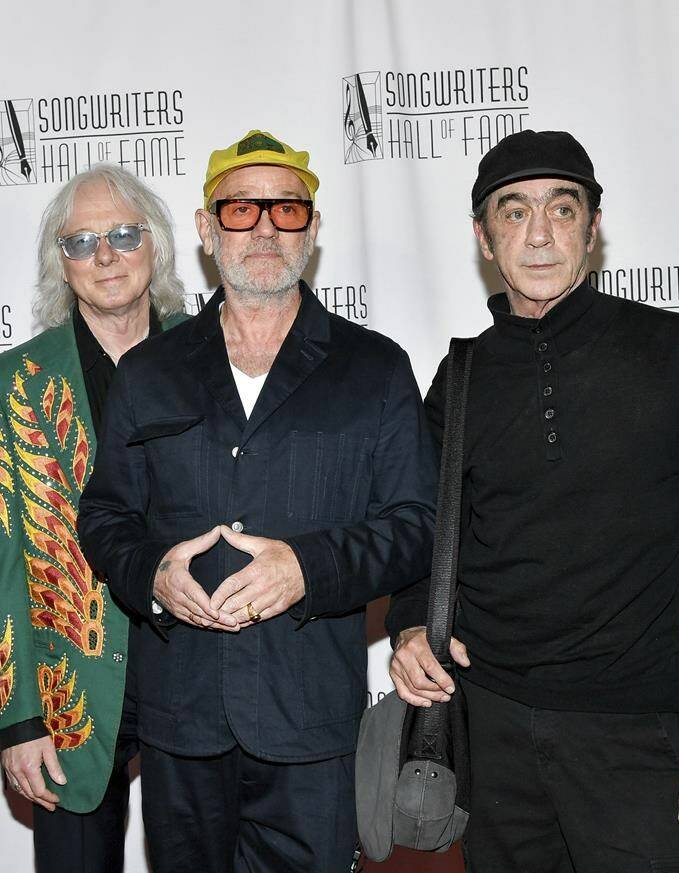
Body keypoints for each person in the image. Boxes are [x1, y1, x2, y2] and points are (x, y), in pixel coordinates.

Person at [387, 129, 679, 873]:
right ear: (484, 236)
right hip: (492, 735)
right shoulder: (460, 376)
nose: (539, 235)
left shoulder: (677, 351)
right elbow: (421, 533)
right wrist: (406, 624)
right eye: (514, 212)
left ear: (593, 225)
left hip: (633, 732)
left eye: (562, 209)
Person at [77, 130, 437, 872]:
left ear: (312, 227)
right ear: (208, 230)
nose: (266, 227)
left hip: (309, 726)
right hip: (181, 727)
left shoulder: (374, 368)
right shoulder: (150, 372)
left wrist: (309, 568)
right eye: (241, 210)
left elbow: (416, 526)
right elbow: (105, 517)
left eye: (287, 209)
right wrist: (152, 576)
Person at [0, 163, 186, 873]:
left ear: (155, 244)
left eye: (124, 234)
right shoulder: (8, 385)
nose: (105, 256)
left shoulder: (214, 353)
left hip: (202, 673)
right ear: (59, 264)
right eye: (81, 241)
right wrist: (19, 714)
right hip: (70, 696)